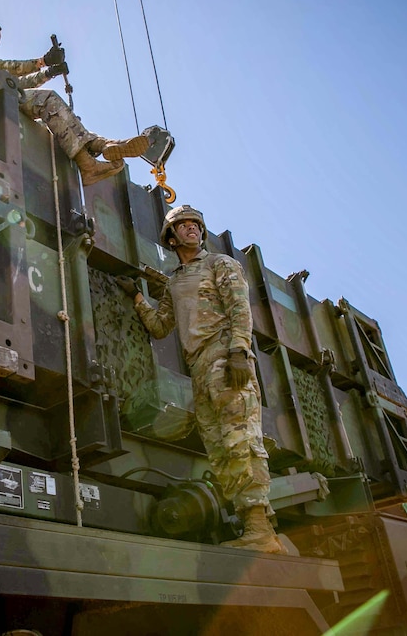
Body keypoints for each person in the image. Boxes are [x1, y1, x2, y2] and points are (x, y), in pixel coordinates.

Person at [116, 205, 282, 553]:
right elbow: (161, 327)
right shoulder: (174, 281)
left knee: (241, 439)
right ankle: (253, 528)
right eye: (183, 225)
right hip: (199, 369)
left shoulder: (220, 264)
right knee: (220, 450)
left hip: (224, 357)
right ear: (172, 237)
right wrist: (136, 297)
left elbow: (240, 308)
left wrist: (238, 351)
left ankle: (261, 529)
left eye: (195, 225)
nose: (191, 228)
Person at [0, 17, 153, 186]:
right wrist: (43, 61)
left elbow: (17, 82)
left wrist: (48, 73)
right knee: (48, 100)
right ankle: (90, 161)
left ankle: (103, 145)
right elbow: (6, 69)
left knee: (59, 117)